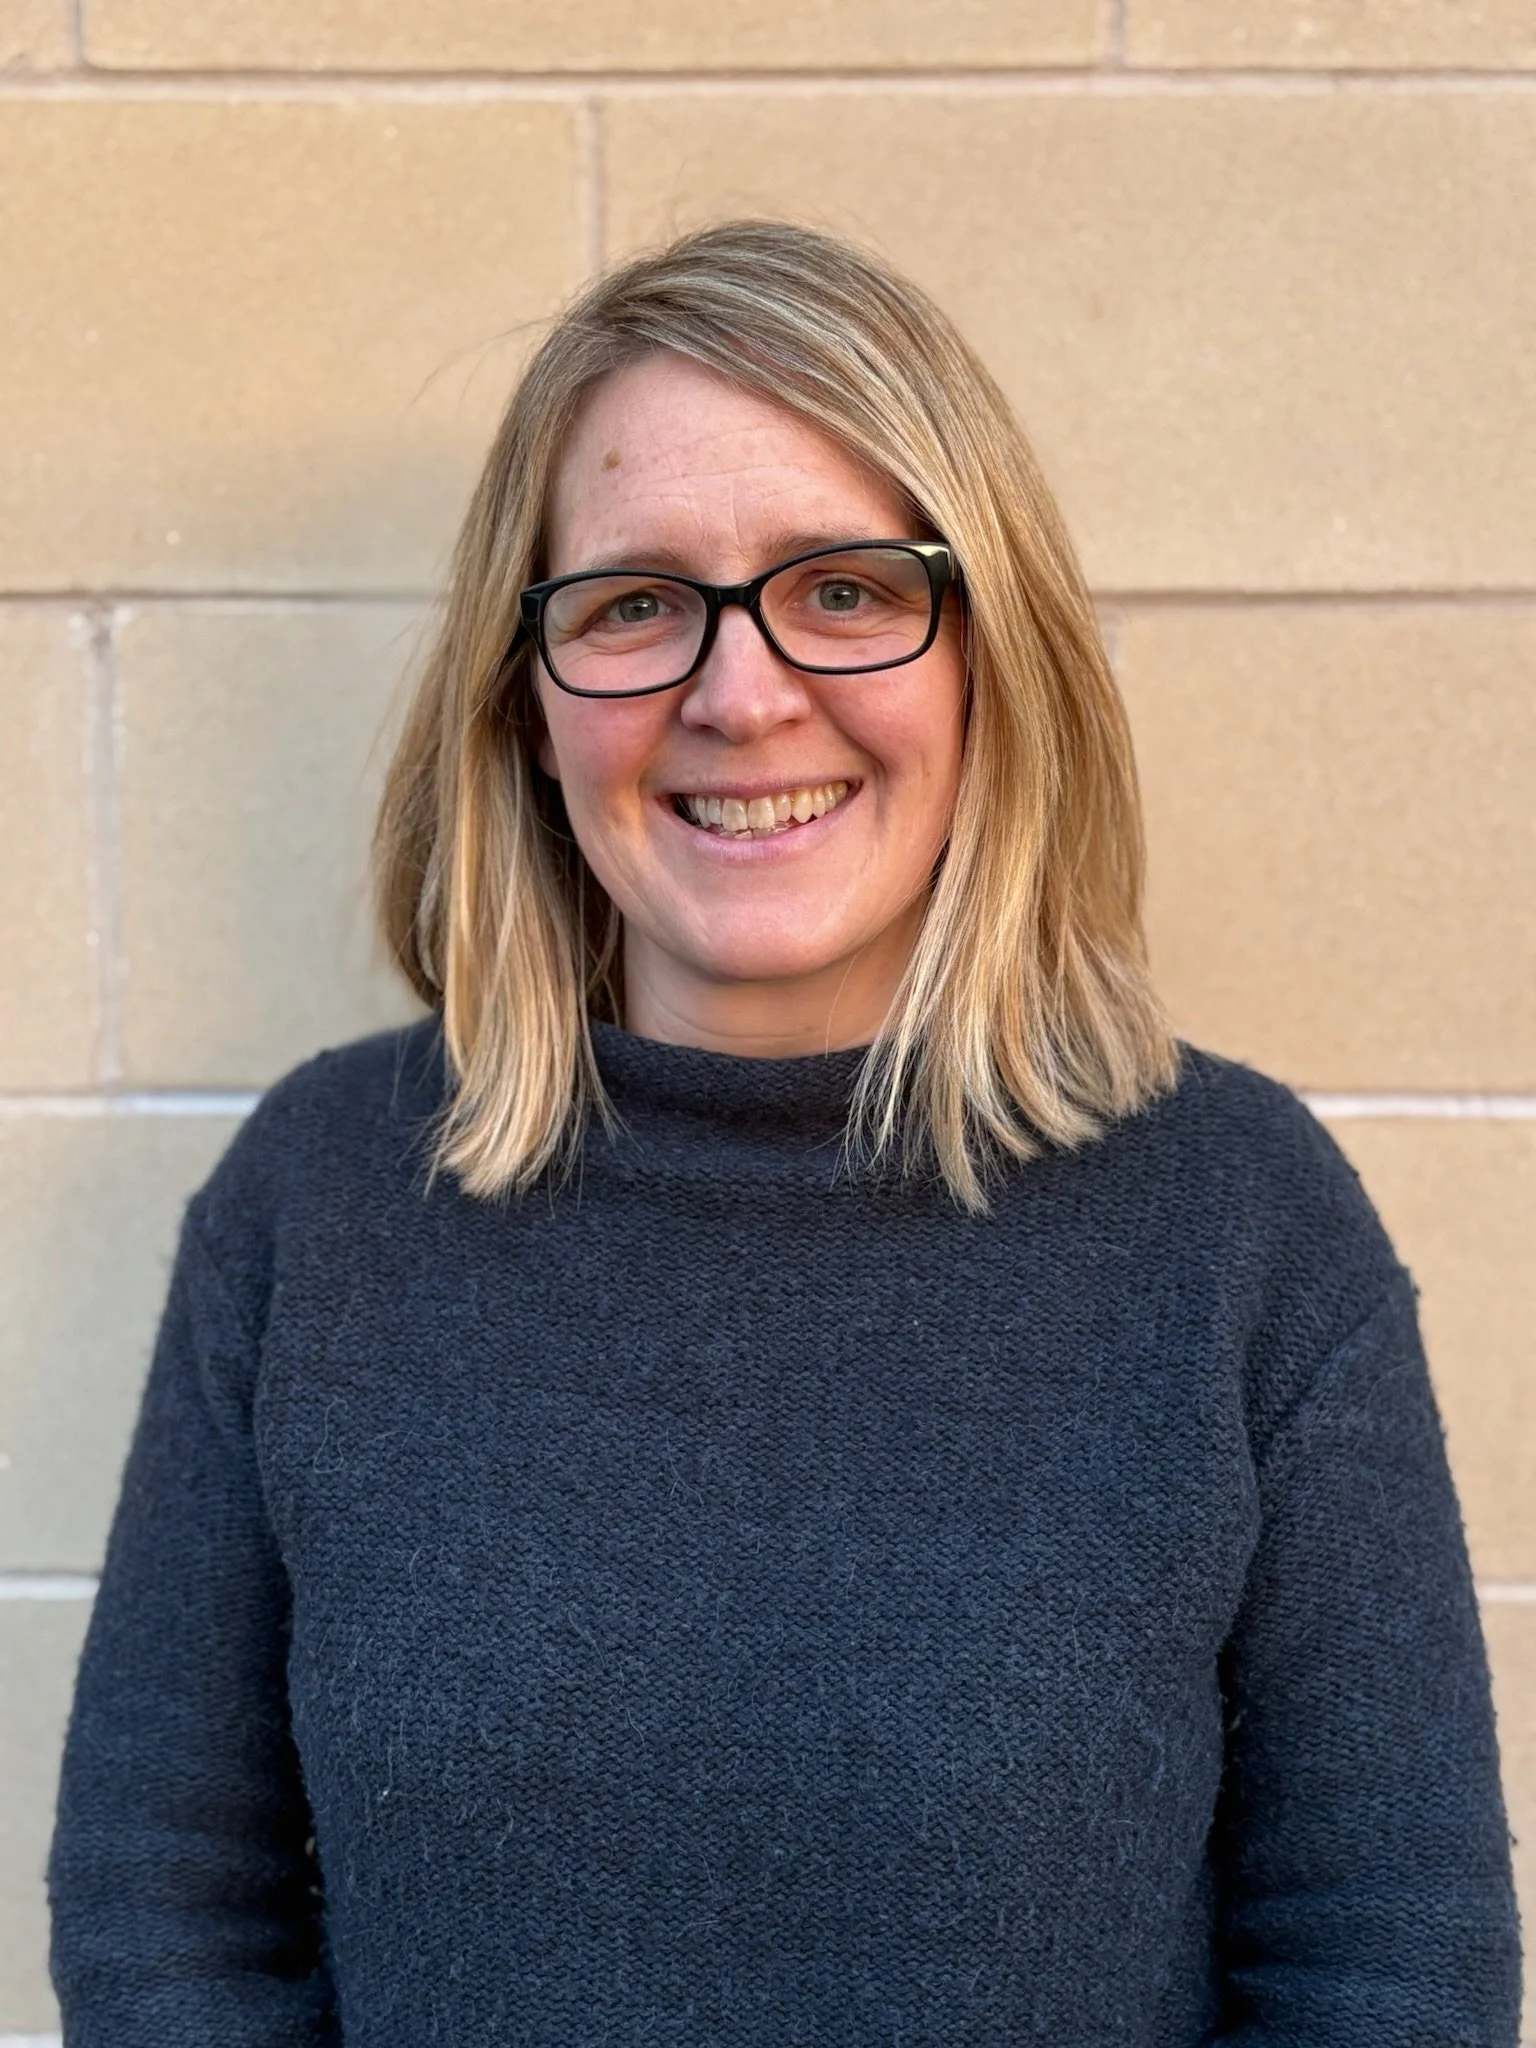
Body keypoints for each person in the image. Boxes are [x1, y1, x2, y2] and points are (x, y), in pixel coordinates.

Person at [47, 220, 1521, 2045]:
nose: (740, 693)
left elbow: (1391, 1967)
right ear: (528, 702)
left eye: (843, 587)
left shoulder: (1234, 1221)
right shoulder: (328, 1200)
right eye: (636, 602)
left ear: (994, 656)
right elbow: (164, 1911)